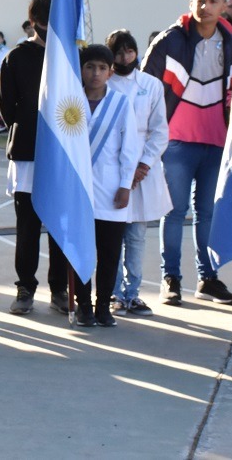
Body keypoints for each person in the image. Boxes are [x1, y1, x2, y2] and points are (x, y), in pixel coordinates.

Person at [142, 0, 232, 306]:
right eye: (200, 0)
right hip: (177, 141)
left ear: (223, 6)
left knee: (208, 212)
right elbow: (145, 88)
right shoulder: (170, 40)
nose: (205, 7)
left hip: (217, 142)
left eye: (213, 1)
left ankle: (207, 279)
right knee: (173, 212)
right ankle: (171, 278)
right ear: (191, 2)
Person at [0, 0, 71, 315]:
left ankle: (60, 288)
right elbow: (6, 110)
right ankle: (25, 287)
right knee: (27, 226)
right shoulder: (16, 57)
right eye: (48, 19)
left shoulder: (71, 54)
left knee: (60, 225)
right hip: (27, 153)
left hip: (62, 156)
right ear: (35, 21)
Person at [106, 30, 172, 317]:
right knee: (112, 234)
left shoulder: (151, 84)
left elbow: (160, 130)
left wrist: (143, 165)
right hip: (110, 166)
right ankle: (114, 292)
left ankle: (133, 293)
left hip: (143, 170)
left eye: (129, 51)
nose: (124, 57)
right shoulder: (104, 83)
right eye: (118, 52)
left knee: (136, 235)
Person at [74, 45, 141, 327]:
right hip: (77, 188)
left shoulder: (121, 102)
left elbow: (130, 148)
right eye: (90, 67)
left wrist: (126, 184)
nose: (96, 73)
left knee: (110, 251)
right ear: (81, 69)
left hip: (111, 187)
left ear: (110, 71)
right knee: (80, 250)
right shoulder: (70, 100)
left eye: (102, 68)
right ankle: (83, 306)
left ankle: (103, 305)